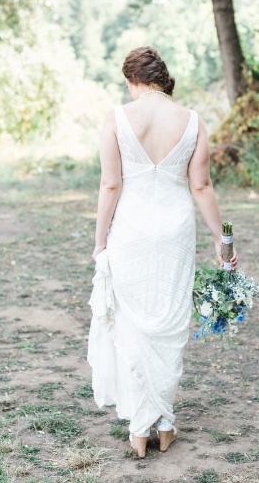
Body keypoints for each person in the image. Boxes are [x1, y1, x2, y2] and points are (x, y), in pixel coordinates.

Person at [87, 46, 237, 458]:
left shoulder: (117, 118)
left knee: (135, 325)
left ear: (133, 80)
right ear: (163, 80)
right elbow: (203, 187)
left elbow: (110, 185)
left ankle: (140, 431)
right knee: (170, 325)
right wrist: (225, 240)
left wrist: (100, 242)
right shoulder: (193, 120)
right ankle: (165, 424)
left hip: (130, 231)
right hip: (175, 232)